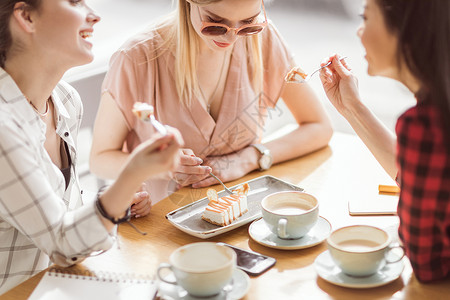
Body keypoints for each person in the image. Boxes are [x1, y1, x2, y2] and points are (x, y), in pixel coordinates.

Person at [0, 0, 182, 294]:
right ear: (26, 17)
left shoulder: (65, 101)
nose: (95, 16)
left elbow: (57, 217)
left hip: (61, 283)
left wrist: (116, 199)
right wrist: (130, 175)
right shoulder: (4, 128)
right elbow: (62, 244)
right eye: (74, 2)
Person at [89, 0, 333, 205]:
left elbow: (319, 127)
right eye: (216, 24)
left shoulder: (263, 38)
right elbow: (100, 160)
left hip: (239, 214)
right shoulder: (136, 58)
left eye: (248, 25)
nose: (232, 37)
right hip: (158, 228)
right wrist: (162, 167)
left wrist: (250, 158)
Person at [319, 0, 449, 282]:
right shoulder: (438, 107)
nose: (358, 32)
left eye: (365, 18)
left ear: (404, 28)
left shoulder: (426, 125)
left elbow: (426, 265)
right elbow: (420, 177)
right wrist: (351, 108)